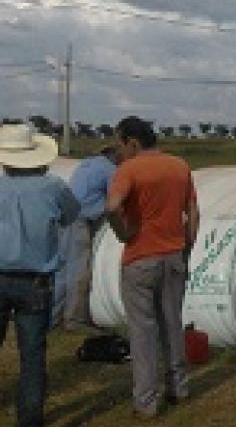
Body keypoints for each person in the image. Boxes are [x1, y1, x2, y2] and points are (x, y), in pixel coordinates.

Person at [106, 116, 200, 418]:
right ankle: (179, 388)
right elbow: (193, 211)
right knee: (172, 323)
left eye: (119, 144)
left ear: (132, 142)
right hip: (174, 255)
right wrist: (187, 246)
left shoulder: (128, 170)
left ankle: (146, 401)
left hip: (140, 259)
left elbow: (111, 206)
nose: (118, 151)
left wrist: (123, 233)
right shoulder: (179, 166)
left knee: (143, 331)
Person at [0, 122, 81, 427]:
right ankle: (30, 419)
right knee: (32, 355)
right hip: (35, 281)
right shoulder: (54, 187)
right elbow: (71, 214)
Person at [61, 145, 119, 332]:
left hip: (67, 215)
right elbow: (116, 200)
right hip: (81, 219)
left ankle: (54, 315)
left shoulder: (87, 164)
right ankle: (75, 318)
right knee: (80, 270)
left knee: (64, 268)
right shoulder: (110, 170)